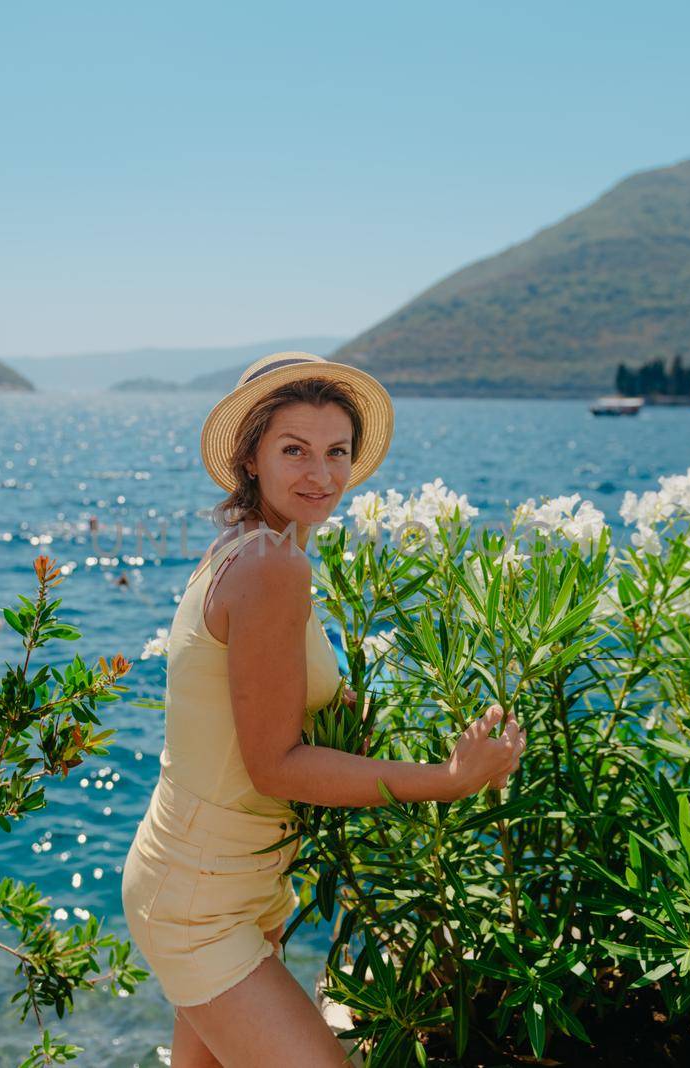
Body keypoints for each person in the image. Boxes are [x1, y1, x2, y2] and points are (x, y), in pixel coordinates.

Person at [120, 352, 526, 1067]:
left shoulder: (248, 549)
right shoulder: (274, 566)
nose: (321, 474)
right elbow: (274, 765)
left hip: (223, 880)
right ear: (250, 458)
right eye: (294, 450)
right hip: (201, 898)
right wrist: (451, 776)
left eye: (337, 452)